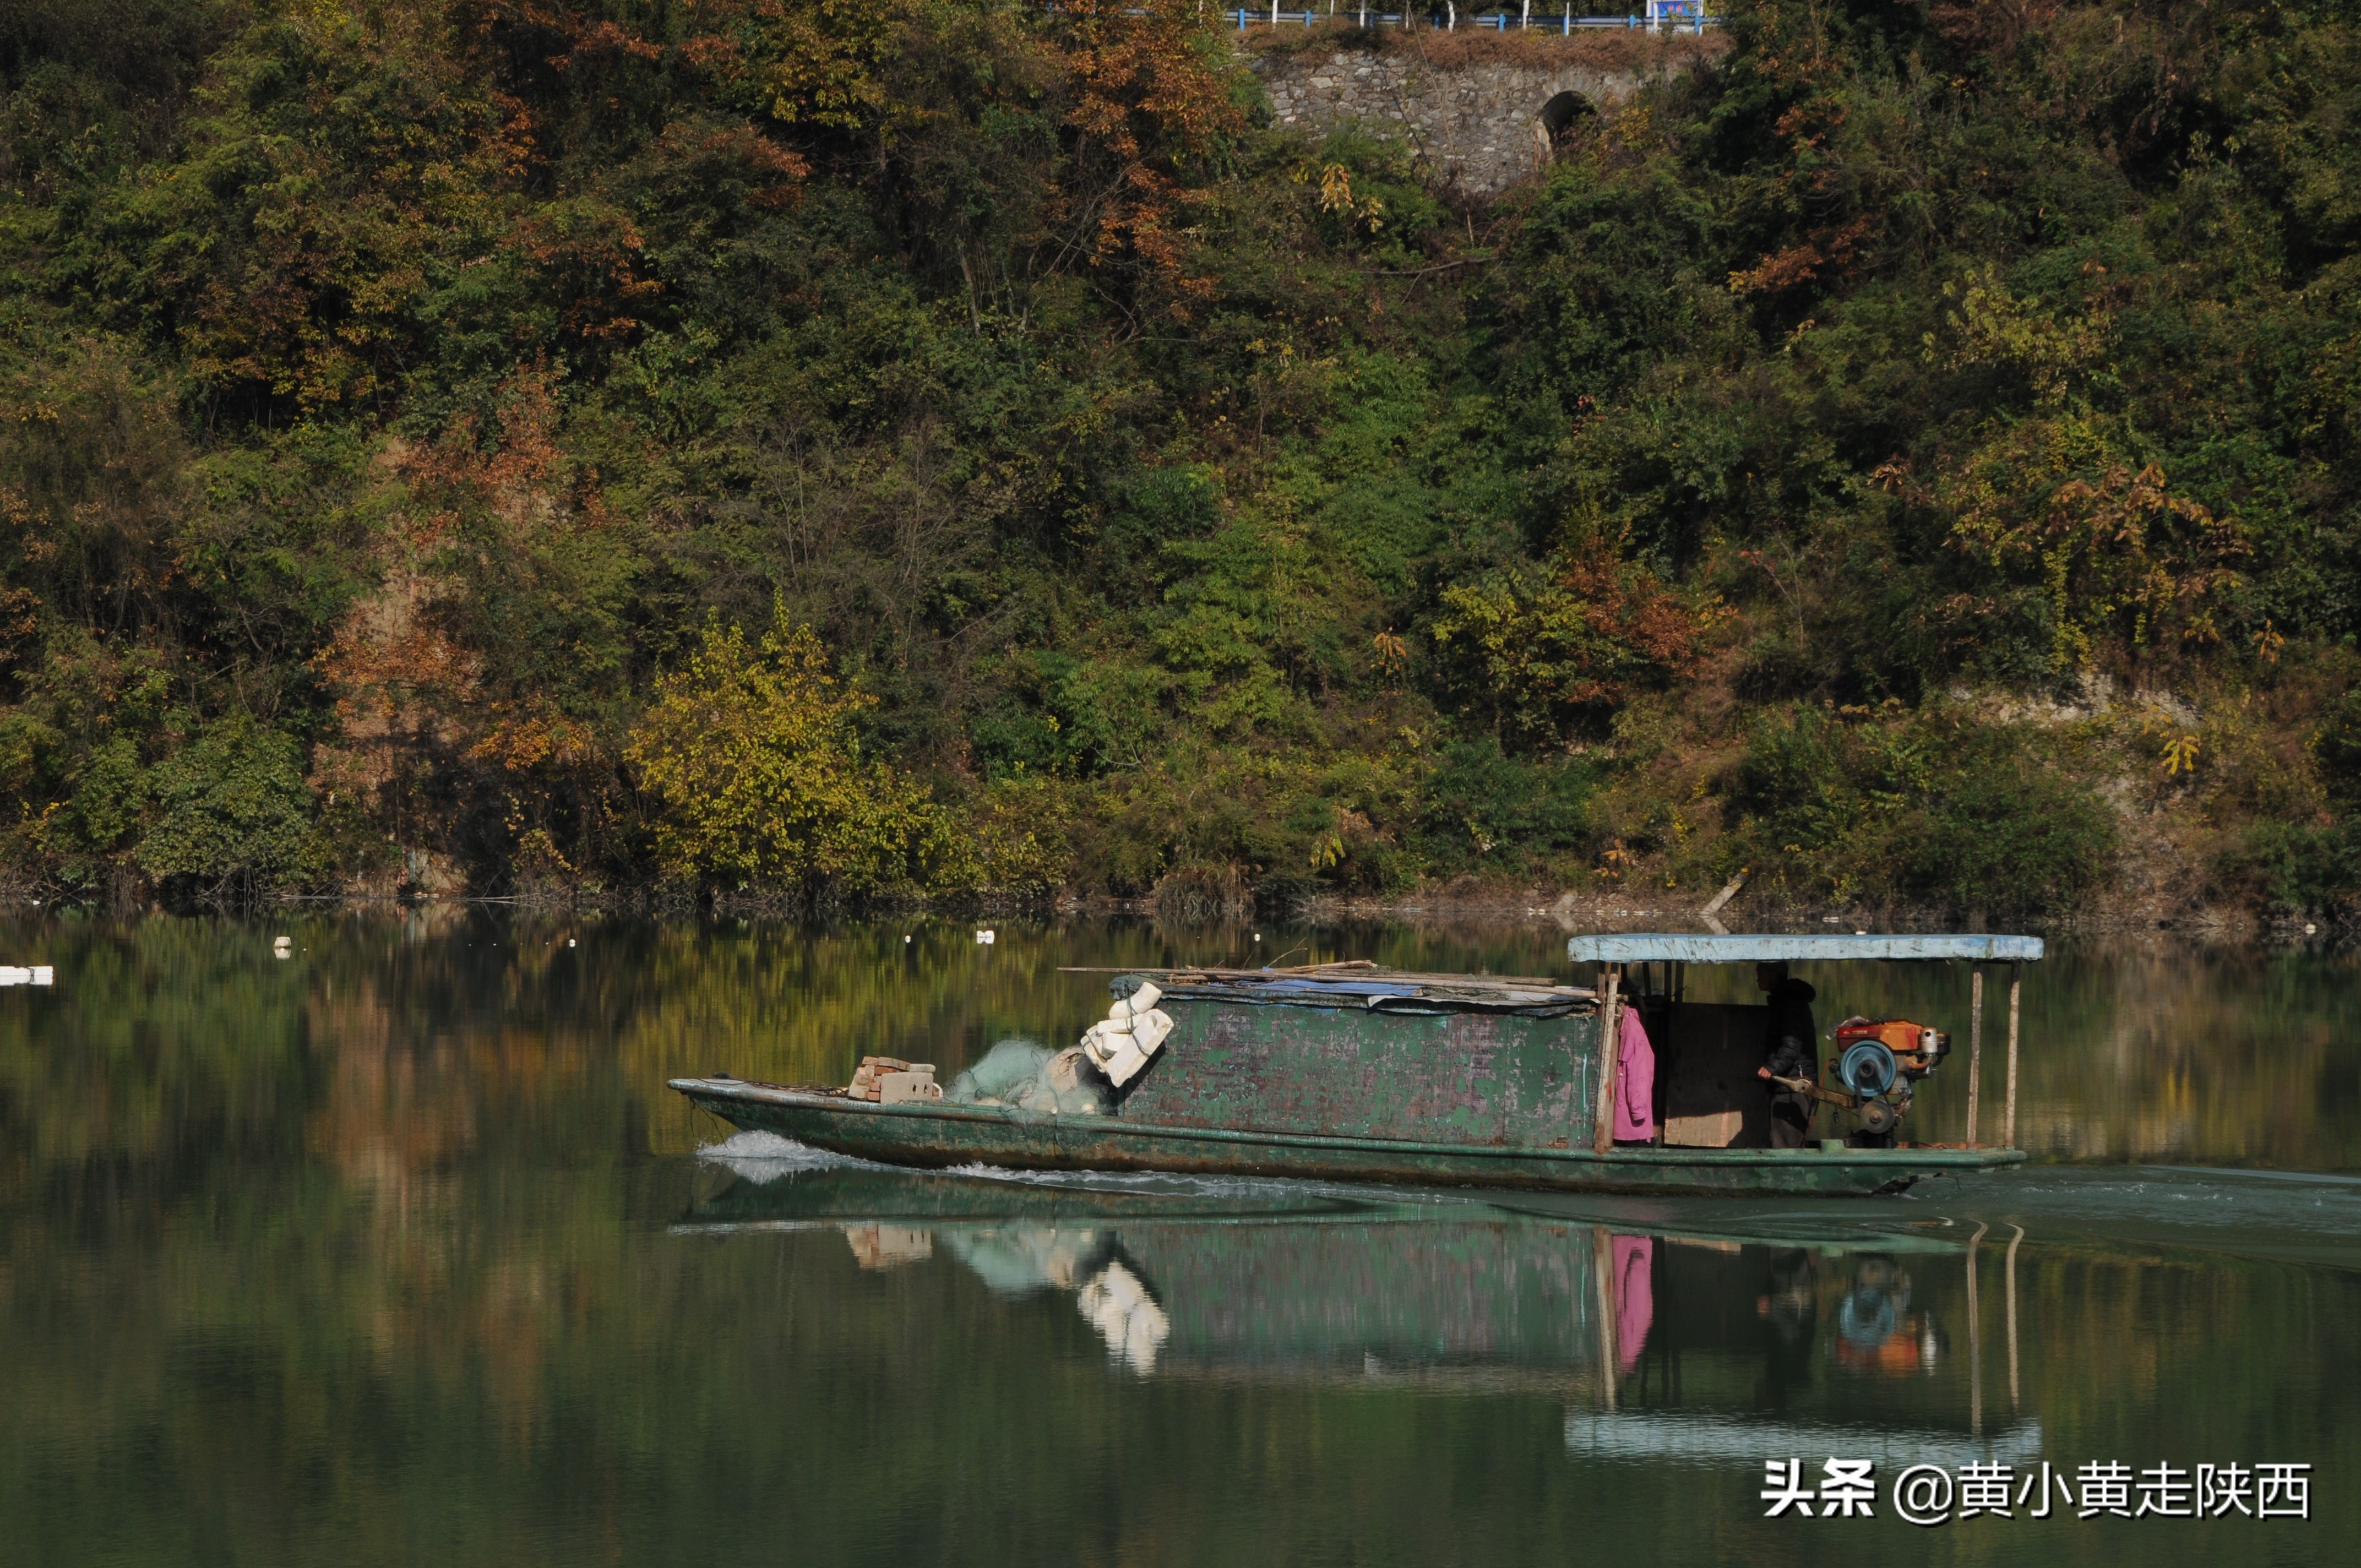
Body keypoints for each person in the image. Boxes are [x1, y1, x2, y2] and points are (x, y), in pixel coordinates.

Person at [1755, 961, 1818, 1148]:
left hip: (1794, 1087)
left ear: (1772, 975)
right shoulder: (1785, 1001)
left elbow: (1791, 1047)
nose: (1757, 978)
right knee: (1785, 1144)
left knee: (1786, 1148)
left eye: (1760, 973)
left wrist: (1770, 1068)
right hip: (1788, 1086)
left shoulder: (1790, 1004)